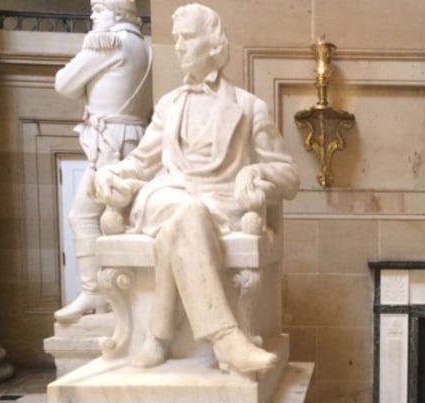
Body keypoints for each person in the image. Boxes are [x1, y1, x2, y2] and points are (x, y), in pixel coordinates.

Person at [92, 3, 300, 375]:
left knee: (181, 225)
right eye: (176, 39)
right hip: (165, 195)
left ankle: (159, 332)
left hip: (219, 204)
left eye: (188, 38)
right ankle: (226, 338)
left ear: (214, 45)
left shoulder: (249, 108)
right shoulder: (168, 106)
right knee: (187, 210)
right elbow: (141, 162)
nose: (180, 47)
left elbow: (289, 177)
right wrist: (108, 174)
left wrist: (254, 170)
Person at [53, 0, 152, 323]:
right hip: (128, 139)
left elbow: (64, 83)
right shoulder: (144, 45)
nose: (93, 16)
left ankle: (99, 293)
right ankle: (112, 295)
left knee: (87, 216)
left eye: (99, 9)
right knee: (121, 221)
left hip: (111, 145)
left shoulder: (109, 42)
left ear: (117, 11)